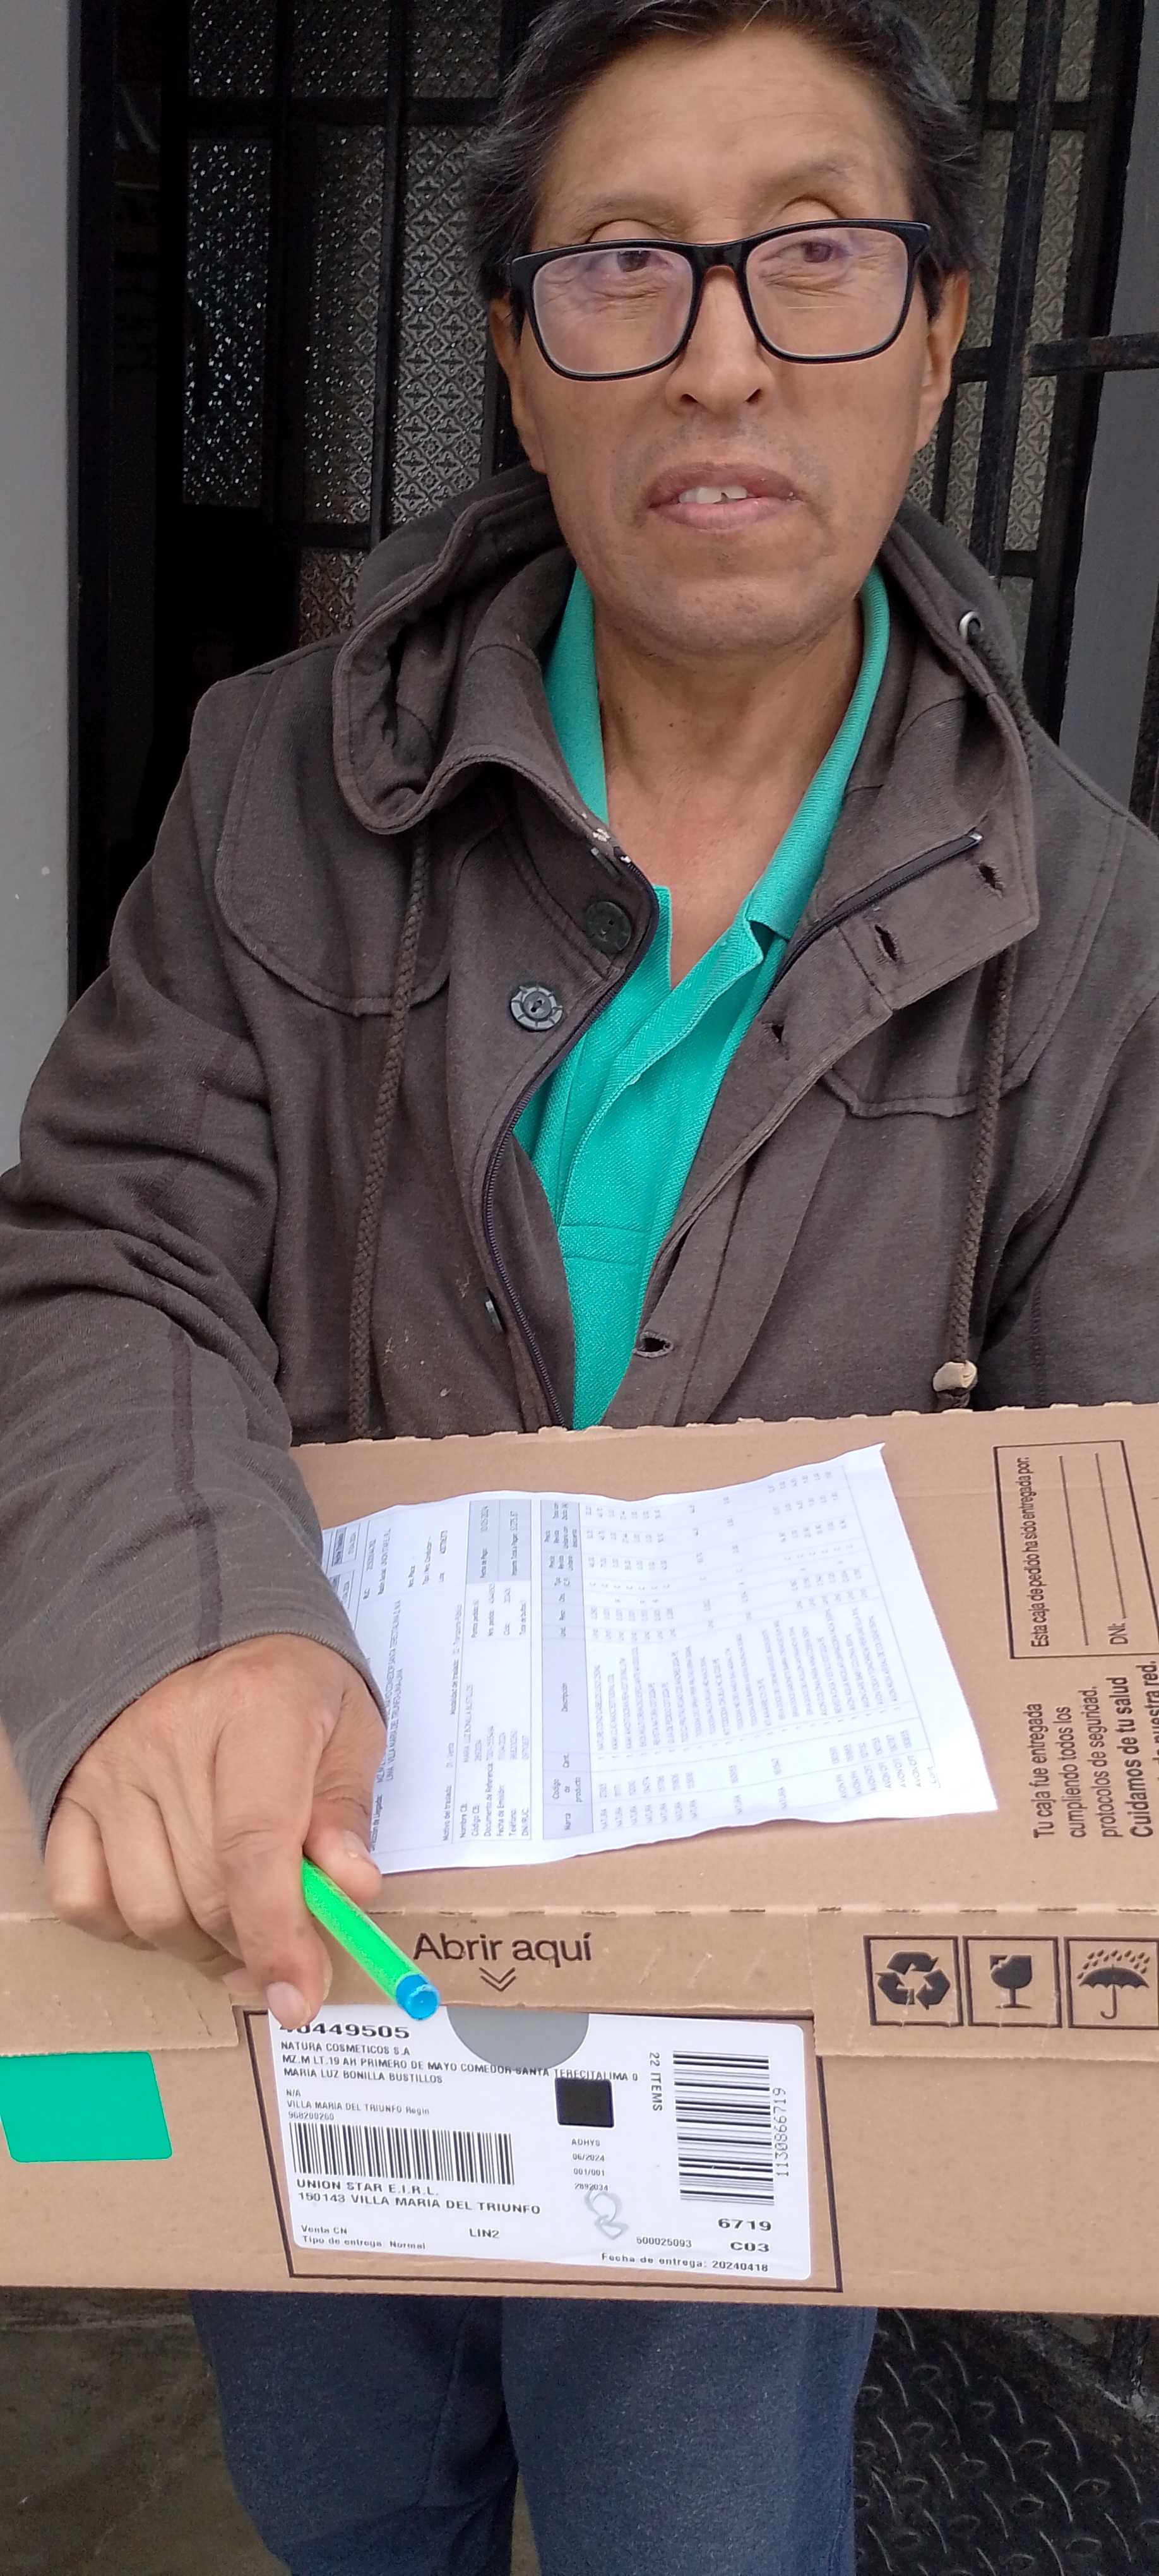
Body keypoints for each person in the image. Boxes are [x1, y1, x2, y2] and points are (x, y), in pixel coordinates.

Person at [2, 2, 1157, 2570]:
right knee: (347, 2503)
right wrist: (184, 1624)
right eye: (625, 266)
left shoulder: (1088, 924)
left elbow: (1115, 1525)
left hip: (758, 2012)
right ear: (521, 365)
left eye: (815, 257)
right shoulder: (280, 782)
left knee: (700, 2531)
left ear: (940, 335)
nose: (723, 353)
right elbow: (111, 1241)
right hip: (322, 1919)